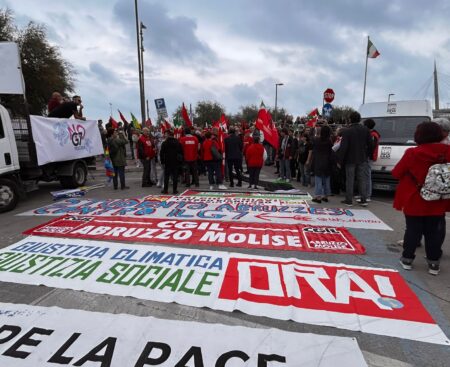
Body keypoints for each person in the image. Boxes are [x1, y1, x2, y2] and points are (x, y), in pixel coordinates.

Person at [393, 122, 450, 275]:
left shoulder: (413, 153)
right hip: (438, 199)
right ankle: (433, 263)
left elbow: (397, 173)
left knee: (413, 230)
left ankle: (407, 259)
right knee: (434, 232)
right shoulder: (447, 151)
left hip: (415, 198)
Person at [337, 111, 373, 207]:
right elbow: (371, 144)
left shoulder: (347, 131)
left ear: (350, 120)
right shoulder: (366, 130)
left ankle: (349, 200)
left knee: (350, 179)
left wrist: (340, 161)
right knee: (362, 179)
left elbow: (344, 147)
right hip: (362, 158)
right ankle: (363, 199)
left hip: (350, 159)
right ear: (359, 119)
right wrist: (368, 155)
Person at [307, 125, 333, 203]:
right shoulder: (329, 141)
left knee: (318, 179)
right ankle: (326, 196)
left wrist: (313, 128)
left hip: (318, 161)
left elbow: (310, 137)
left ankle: (318, 197)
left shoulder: (317, 140)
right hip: (327, 162)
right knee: (326, 180)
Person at [160, 130, 183, 194]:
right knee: (175, 176)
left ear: (168, 135)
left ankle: (165, 190)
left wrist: (162, 162)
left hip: (167, 161)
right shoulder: (178, 142)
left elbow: (161, 153)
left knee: (166, 176)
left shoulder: (164, 143)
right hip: (175, 161)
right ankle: (174, 190)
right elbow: (181, 152)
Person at [362, 118, 381, 202]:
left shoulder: (372, 135)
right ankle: (364, 194)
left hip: (368, 157)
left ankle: (367, 195)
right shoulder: (372, 134)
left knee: (367, 176)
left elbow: (371, 148)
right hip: (368, 157)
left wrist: (366, 156)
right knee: (365, 176)